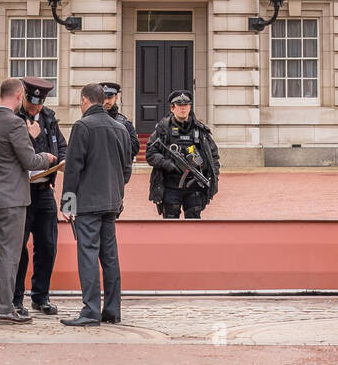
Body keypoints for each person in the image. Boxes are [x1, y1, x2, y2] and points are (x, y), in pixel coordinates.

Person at [0, 77, 57, 323]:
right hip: (12, 198)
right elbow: (30, 161)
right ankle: (5, 308)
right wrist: (48, 157)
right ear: (20, 95)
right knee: (10, 254)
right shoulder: (14, 123)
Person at [60, 83, 131, 326]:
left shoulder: (82, 126)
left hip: (88, 204)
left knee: (88, 255)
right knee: (109, 256)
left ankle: (90, 310)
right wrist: (117, 193)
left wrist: (68, 203)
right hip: (111, 202)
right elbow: (126, 168)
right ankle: (112, 310)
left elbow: (73, 168)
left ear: (85, 100)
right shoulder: (120, 128)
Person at [14, 76, 68, 316]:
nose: (34, 107)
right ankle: (16, 298)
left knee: (47, 245)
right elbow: (20, 155)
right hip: (22, 192)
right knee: (18, 248)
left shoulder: (48, 118)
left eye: (38, 103)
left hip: (45, 190)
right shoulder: (14, 119)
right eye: (31, 102)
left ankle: (40, 295)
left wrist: (65, 159)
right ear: (23, 96)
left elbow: (62, 146)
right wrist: (31, 137)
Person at [145, 91, 220, 219]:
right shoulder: (163, 129)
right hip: (170, 185)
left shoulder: (200, 130)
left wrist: (213, 175)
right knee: (170, 222)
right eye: (179, 105)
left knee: (194, 221)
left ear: (190, 107)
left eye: (186, 105)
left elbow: (213, 156)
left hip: (194, 185)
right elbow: (151, 153)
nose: (183, 108)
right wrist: (168, 164)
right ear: (172, 108)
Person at [103, 82, 140, 161]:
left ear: (116, 97)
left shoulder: (125, 124)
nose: (107, 101)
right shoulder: (92, 121)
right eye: (104, 98)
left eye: (109, 97)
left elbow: (134, 148)